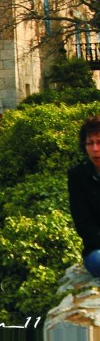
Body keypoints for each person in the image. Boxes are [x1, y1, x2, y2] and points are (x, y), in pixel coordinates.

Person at [69, 116, 100, 277]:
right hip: (96, 249)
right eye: (90, 143)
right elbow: (84, 224)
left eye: (99, 142)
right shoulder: (78, 176)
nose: (95, 149)